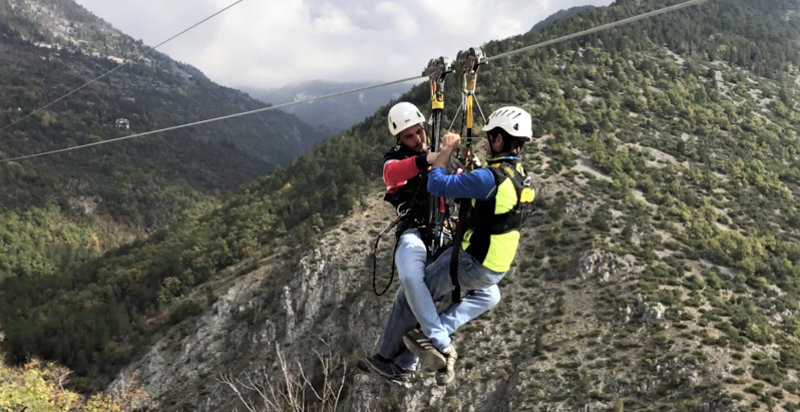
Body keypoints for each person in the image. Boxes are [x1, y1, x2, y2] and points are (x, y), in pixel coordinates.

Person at [387, 106, 535, 386]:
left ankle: (403, 357)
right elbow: (488, 202)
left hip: (471, 262)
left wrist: (444, 153)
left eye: (490, 137)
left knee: (414, 290)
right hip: (496, 269)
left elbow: (437, 184)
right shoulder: (522, 177)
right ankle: (419, 348)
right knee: (490, 296)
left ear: (500, 140)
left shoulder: (489, 177)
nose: (487, 141)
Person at [357, 102, 501, 387]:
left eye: (420, 131)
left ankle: (425, 340)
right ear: (399, 139)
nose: (419, 138)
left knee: (491, 295)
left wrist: (465, 168)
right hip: (413, 231)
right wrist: (430, 159)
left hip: (445, 234)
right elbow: (392, 175)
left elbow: (463, 182)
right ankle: (439, 342)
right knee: (411, 278)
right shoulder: (396, 159)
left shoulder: (440, 158)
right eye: (410, 135)